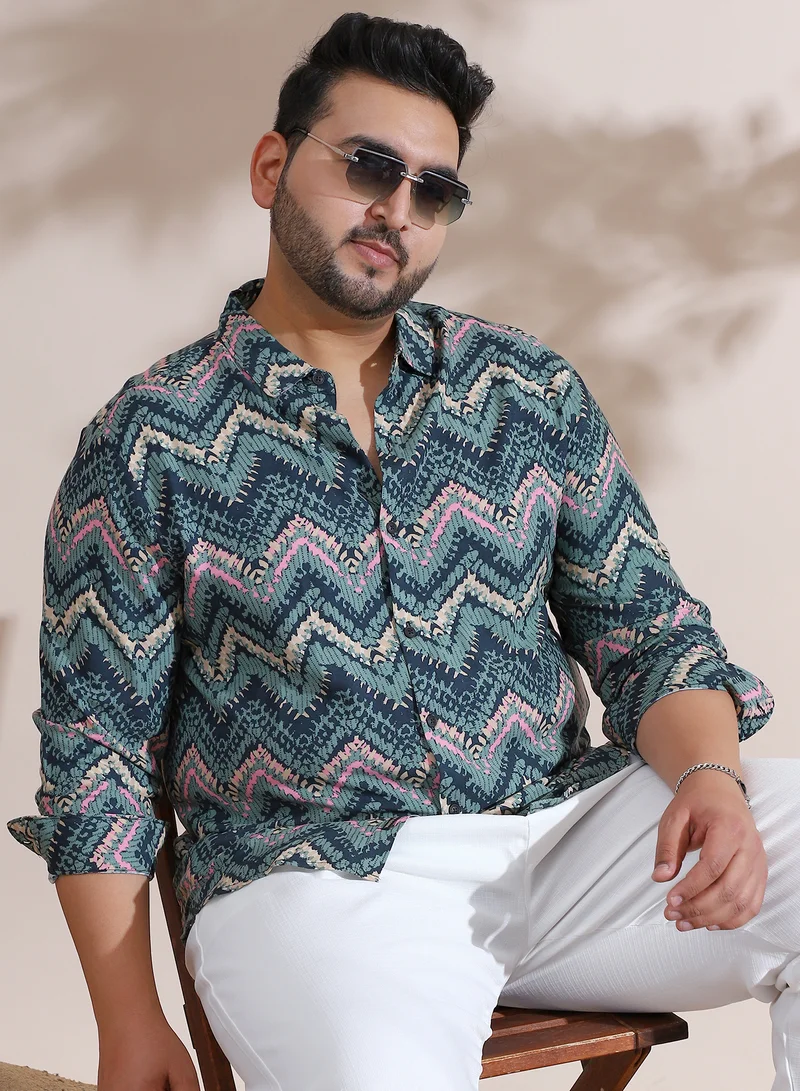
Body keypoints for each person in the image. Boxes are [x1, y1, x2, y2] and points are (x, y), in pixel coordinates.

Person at [6, 11, 798, 1091]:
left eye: (435, 190)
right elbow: (97, 754)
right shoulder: (150, 439)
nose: (398, 209)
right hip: (320, 885)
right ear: (271, 167)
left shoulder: (521, 389)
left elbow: (651, 633)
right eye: (368, 167)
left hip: (563, 842)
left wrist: (710, 778)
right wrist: (129, 1019)